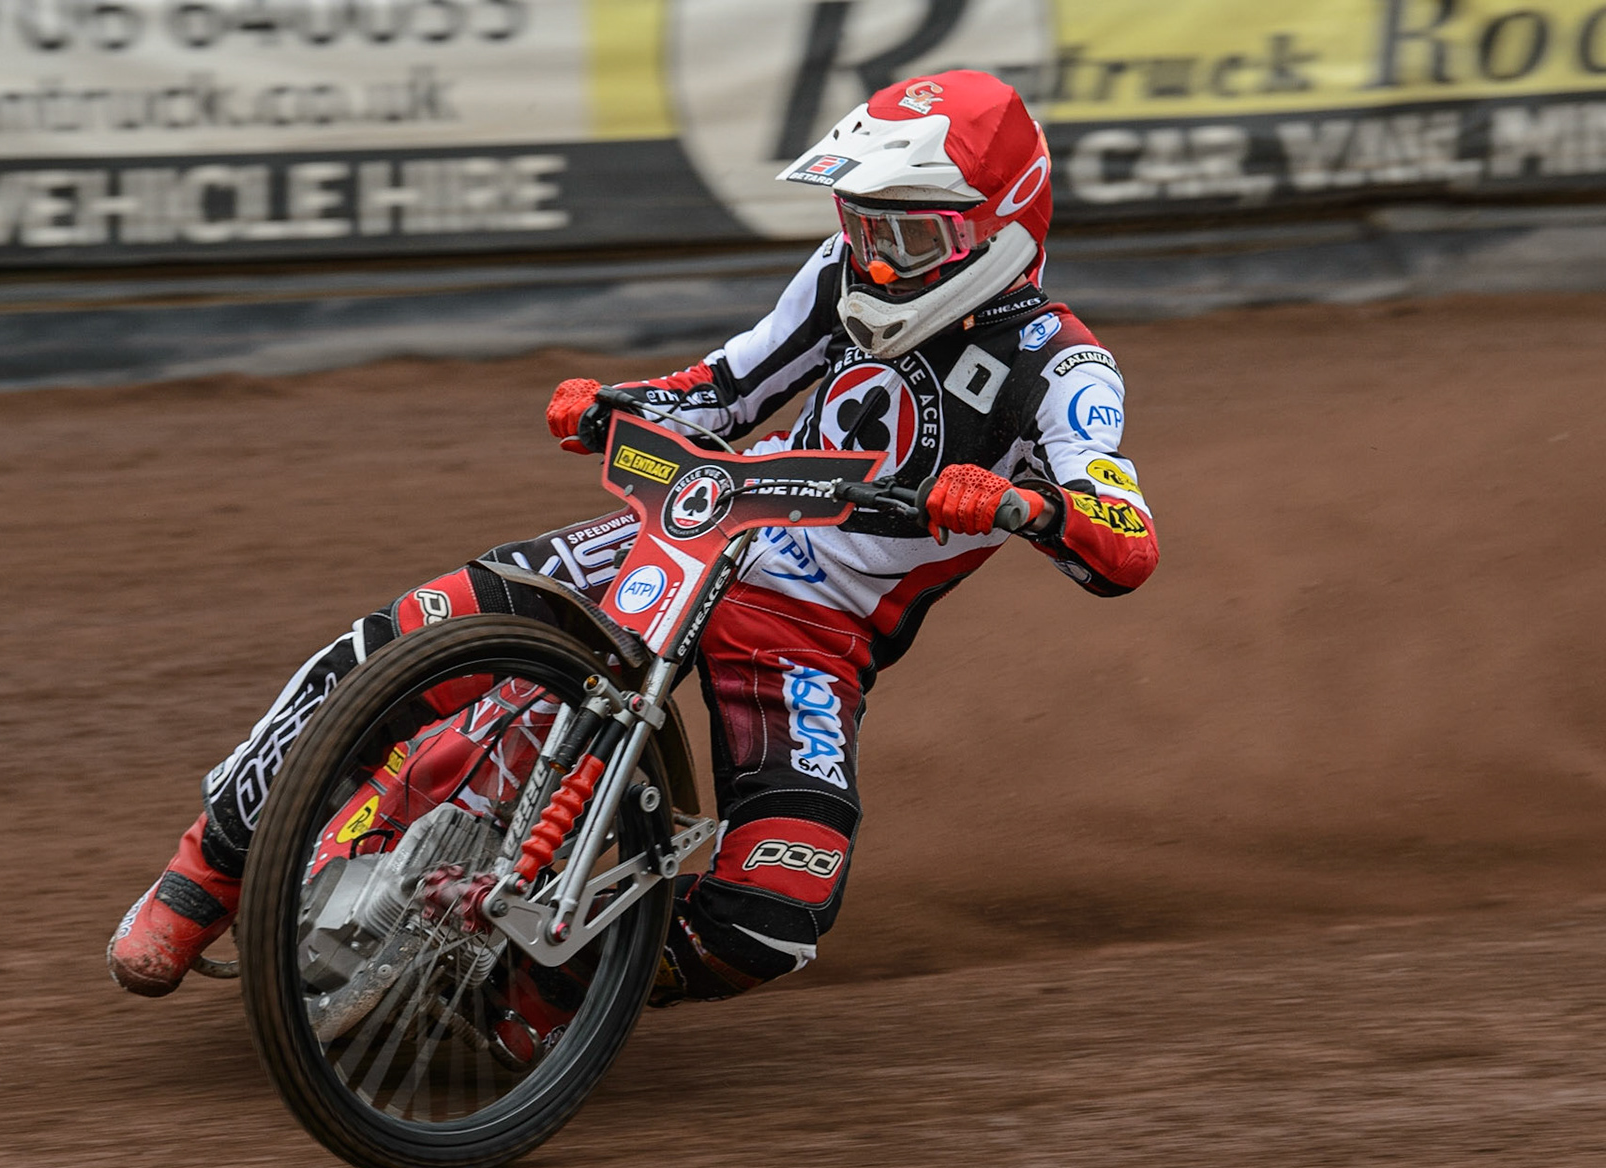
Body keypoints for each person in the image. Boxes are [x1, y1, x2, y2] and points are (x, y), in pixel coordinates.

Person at [108, 69, 1159, 1004]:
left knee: (775, 908)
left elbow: (1125, 537)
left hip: (810, 631)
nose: (879, 258)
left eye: (911, 234)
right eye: (864, 223)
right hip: (695, 536)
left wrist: (1025, 506)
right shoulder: (838, 274)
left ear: (1003, 227)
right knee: (408, 636)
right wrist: (621, 402)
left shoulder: (1062, 370)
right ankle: (203, 874)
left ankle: (545, 994)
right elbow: (727, 386)